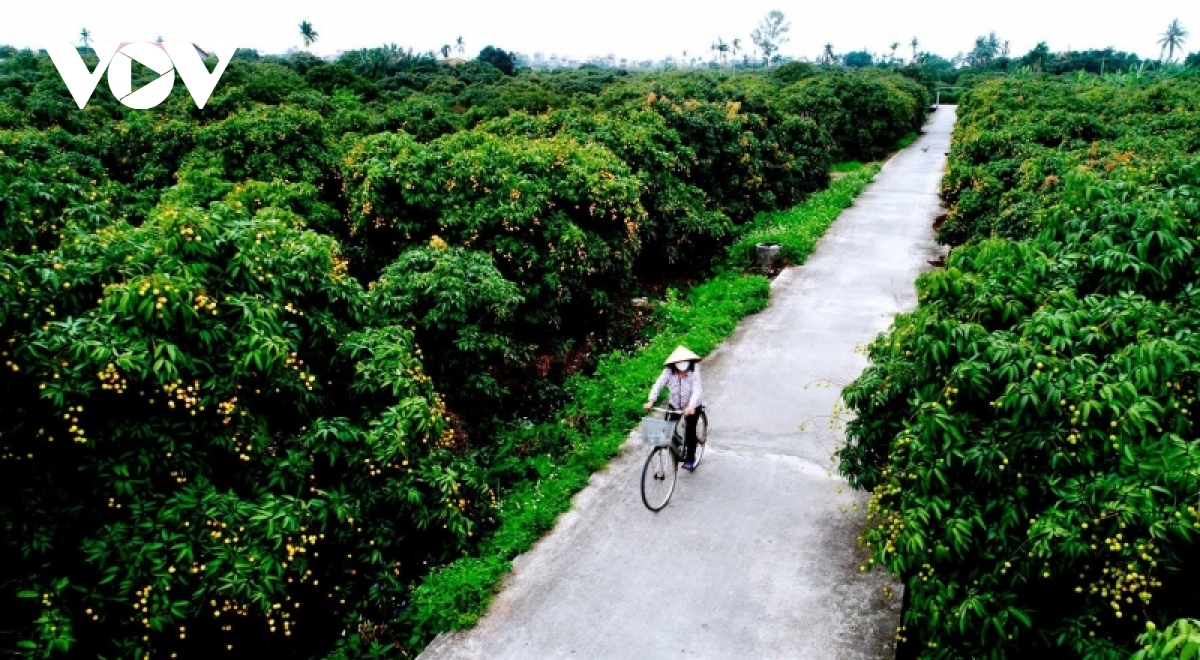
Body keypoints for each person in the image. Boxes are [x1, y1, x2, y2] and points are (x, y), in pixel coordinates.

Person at [644, 346, 704, 471]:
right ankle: (677, 449)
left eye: (684, 361)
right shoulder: (669, 372)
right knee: (667, 431)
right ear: (674, 363)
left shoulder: (694, 370)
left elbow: (697, 389)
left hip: (692, 406)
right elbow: (659, 384)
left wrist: (691, 406)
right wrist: (651, 400)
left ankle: (690, 459)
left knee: (690, 431)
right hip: (675, 405)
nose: (682, 364)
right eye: (679, 362)